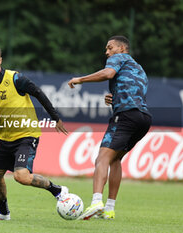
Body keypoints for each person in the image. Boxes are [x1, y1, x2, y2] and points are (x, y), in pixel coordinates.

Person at [0, 45, 69, 221]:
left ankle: (58, 190)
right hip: (5, 137)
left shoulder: (15, 78)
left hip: (27, 135)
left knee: (21, 176)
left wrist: (55, 117)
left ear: (1, 61)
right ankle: (3, 213)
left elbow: (39, 93)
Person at [68, 35, 152, 220]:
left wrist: (80, 79)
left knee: (102, 158)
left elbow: (108, 74)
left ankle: (96, 202)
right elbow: (133, 92)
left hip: (126, 116)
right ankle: (109, 208)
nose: (107, 52)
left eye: (110, 48)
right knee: (115, 160)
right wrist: (114, 98)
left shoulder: (118, 58)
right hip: (143, 118)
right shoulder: (139, 69)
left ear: (122, 48)